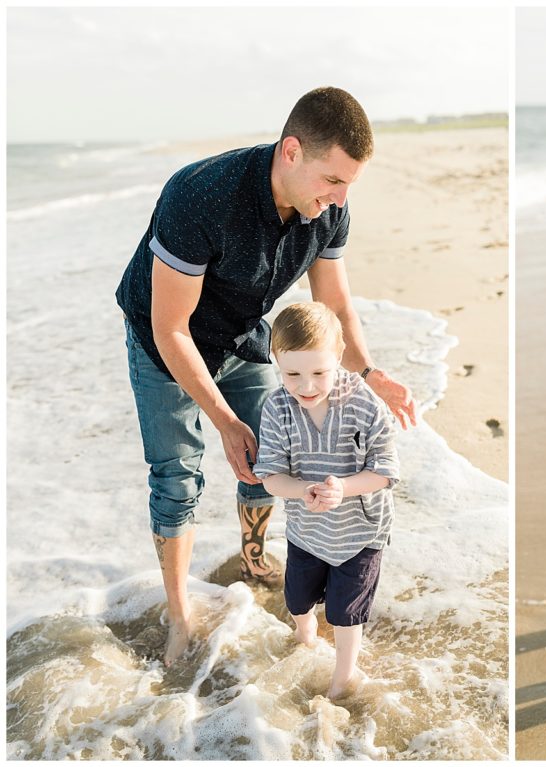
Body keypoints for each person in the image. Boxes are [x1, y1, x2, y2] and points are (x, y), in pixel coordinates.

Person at [117, 87, 416, 666]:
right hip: (165, 343)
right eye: (334, 180)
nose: (340, 198)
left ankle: (254, 558)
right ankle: (180, 615)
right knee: (176, 477)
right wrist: (225, 421)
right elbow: (170, 328)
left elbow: (336, 307)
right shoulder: (201, 194)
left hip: (242, 336)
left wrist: (373, 373)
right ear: (292, 151)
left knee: (266, 458)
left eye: (350, 184)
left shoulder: (327, 209)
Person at [253, 301, 398, 699]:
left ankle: (344, 676)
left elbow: (385, 470)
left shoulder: (366, 404)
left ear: (339, 357)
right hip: (306, 530)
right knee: (297, 600)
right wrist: (303, 490)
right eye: (292, 373)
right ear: (276, 362)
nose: (306, 386)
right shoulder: (277, 407)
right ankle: (305, 631)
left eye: (319, 372)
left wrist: (342, 488)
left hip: (360, 530)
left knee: (344, 612)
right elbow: (270, 477)